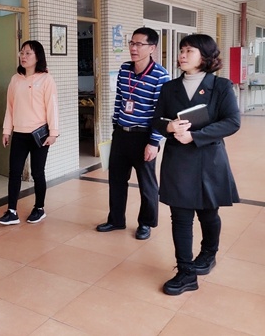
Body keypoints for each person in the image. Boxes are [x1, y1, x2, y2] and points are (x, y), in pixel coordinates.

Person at [152, 34, 240, 295]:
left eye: (189, 50)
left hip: (208, 160)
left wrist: (196, 136)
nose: (182, 55)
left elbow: (232, 121)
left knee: (208, 213)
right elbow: (156, 119)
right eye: (182, 50)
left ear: (205, 56)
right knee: (180, 217)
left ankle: (209, 253)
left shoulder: (221, 86)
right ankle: (185, 272)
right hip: (178, 161)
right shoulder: (169, 87)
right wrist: (169, 126)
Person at [96, 27, 170, 240]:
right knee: (116, 180)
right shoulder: (124, 69)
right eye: (131, 43)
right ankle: (116, 220)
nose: (134, 48)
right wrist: (115, 126)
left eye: (139, 44)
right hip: (122, 134)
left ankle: (145, 223)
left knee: (147, 184)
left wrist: (154, 142)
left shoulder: (161, 75)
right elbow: (120, 99)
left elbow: (161, 112)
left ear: (152, 48)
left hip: (144, 136)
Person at [0, 40, 59, 225]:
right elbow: (10, 107)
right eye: (22, 53)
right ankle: (11, 211)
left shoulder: (46, 79)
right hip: (19, 133)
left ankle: (39, 208)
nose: (23, 56)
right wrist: (6, 130)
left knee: (38, 173)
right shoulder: (15, 79)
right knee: (14, 172)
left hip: (40, 134)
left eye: (28, 53)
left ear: (37, 56)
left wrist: (53, 132)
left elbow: (52, 107)